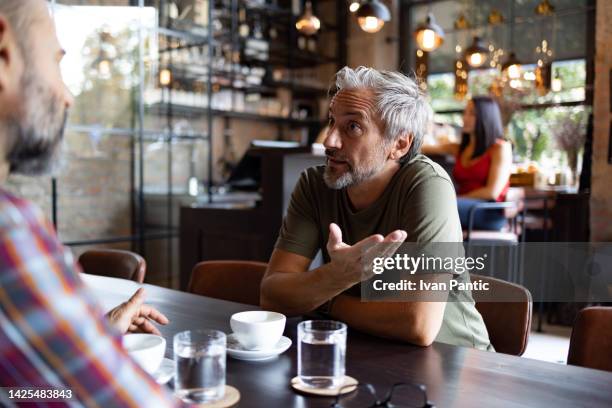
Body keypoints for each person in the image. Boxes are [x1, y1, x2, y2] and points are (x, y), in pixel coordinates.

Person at [0, 1, 178, 405]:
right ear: (3, 53)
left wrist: (94, 336)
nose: (67, 95)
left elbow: (17, 391)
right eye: (55, 61)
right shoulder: (9, 229)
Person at [260, 66, 492, 350]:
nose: (329, 141)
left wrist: (323, 295)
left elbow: (418, 323)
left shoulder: (427, 185)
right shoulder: (314, 185)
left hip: (457, 364)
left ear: (399, 143)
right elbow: (272, 296)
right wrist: (337, 276)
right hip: (368, 353)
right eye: (332, 122)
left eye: (353, 127)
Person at [423, 97, 512, 230]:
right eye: (465, 112)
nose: (465, 118)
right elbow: (423, 147)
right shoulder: (460, 148)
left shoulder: (500, 148)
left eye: (472, 114)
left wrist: (455, 198)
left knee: (435, 207)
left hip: (487, 210)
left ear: (485, 117)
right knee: (428, 204)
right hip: (461, 205)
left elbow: (492, 192)